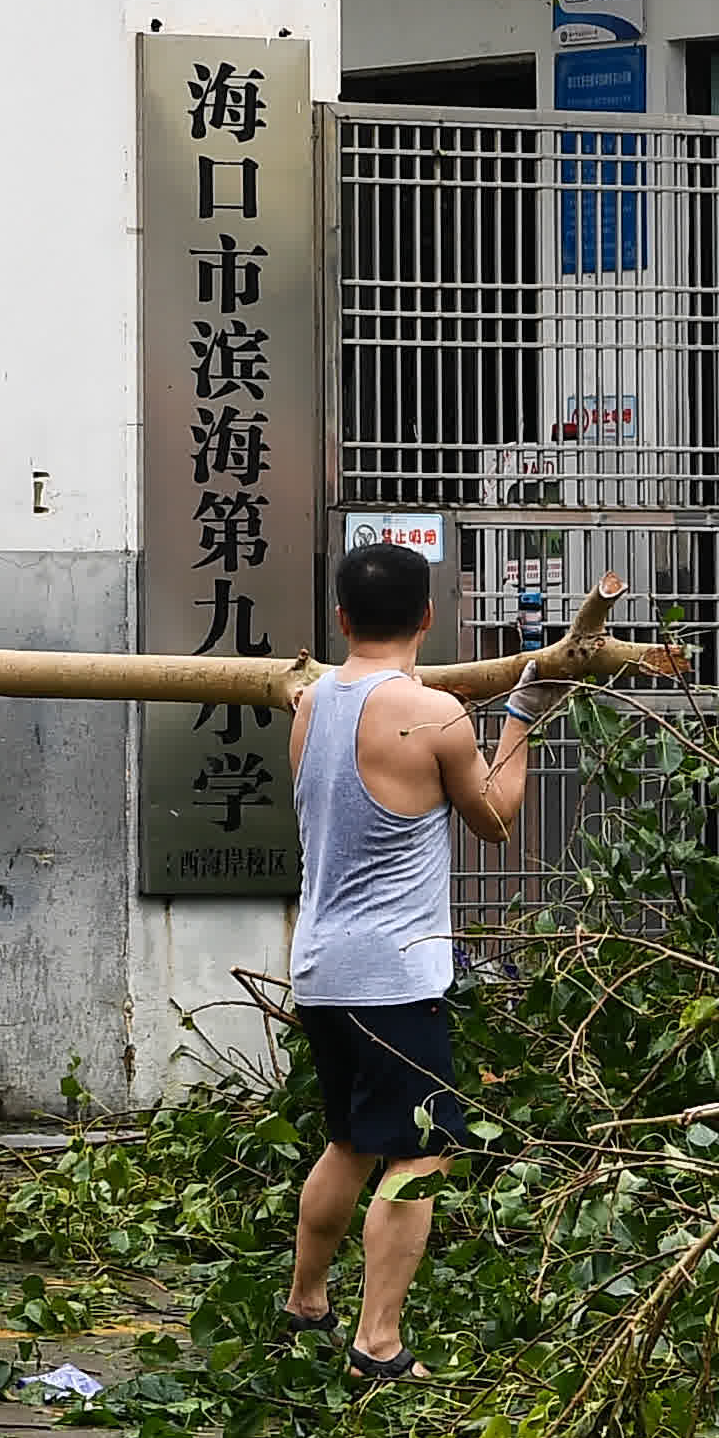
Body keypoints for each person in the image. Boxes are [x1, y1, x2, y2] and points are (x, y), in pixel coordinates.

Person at [280, 537, 534, 1382]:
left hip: (319, 969)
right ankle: (378, 1343)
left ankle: (305, 1303)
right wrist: (523, 717)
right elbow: (494, 818)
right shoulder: (433, 715)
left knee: (349, 1139)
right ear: (429, 616)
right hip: (393, 977)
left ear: (342, 617)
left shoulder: (311, 702)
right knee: (419, 1152)